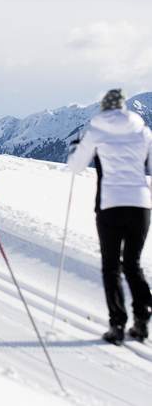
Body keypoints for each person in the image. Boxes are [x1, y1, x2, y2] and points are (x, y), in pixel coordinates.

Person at [68, 89, 152, 345]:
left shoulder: (96, 131)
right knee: (133, 263)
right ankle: (142, 315)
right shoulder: (143, 131)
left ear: (105, 107)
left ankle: (117, 325)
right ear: (124, 108)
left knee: (111, 266)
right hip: (141, 205)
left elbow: (76, 166)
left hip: (110, 205)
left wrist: (77, 149)